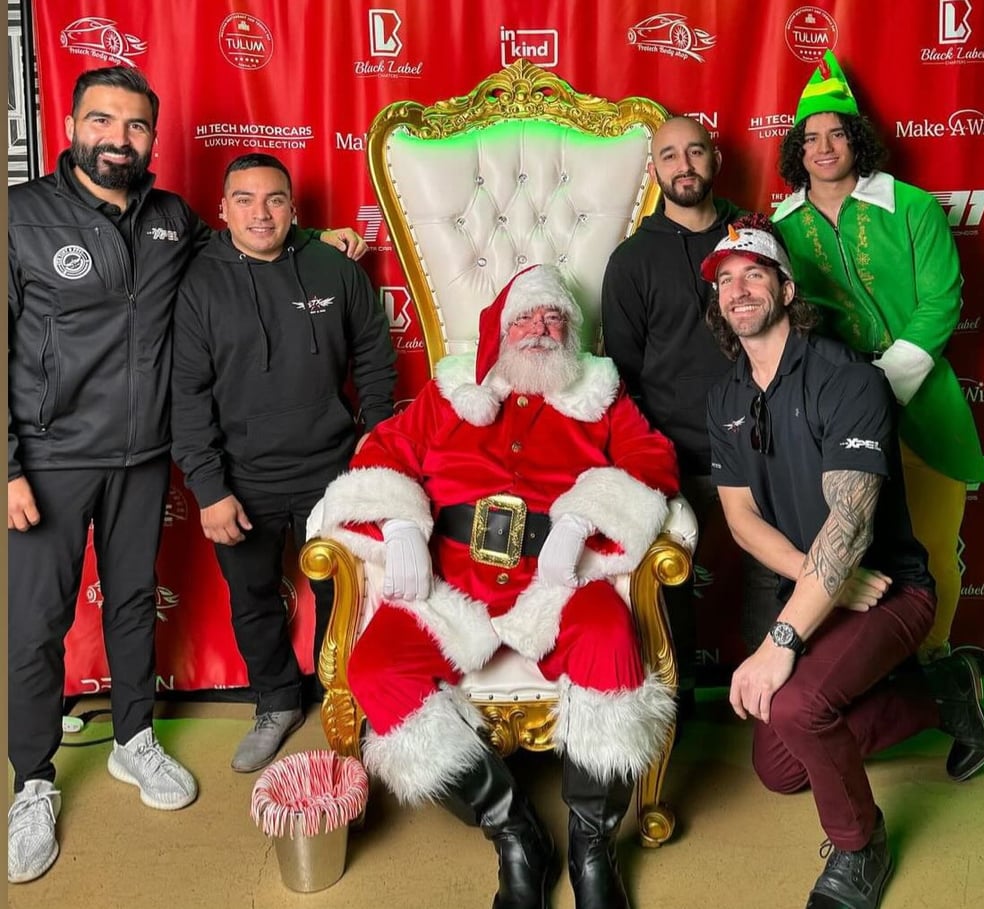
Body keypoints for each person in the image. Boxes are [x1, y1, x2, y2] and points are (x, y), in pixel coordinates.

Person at [6, 65, 363, 884]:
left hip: (141, 455)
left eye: (135, 126)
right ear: (70, 125)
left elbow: (255, 239)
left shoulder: (171, 220)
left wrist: (322, 238)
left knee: (133, 605)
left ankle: (134, 737)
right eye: (102, 121)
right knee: (35, 627)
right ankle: (32, 780)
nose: (118, 139)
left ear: (152, 139)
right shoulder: (21, 216)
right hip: (50, 456)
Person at [309, 264, 687, 909]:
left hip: (558, 581)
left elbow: (652, 459)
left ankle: (592, 845)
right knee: (375, 670)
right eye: (526, 318)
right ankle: (515, 834)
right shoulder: (452, 392)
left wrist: (582, 521)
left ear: (571, 333)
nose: (540, 329)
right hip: (453, 584)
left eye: (554, 318)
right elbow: (383, 452)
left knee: (609, 641)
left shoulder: (600, 394)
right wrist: (399, 524)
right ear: (499, 331)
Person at [701, 215, 984, 909]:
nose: (739, 289)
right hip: (832, 582)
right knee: (779, 767)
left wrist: (781, 639)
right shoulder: (726, 395)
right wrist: (820, 577)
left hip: (892, 590)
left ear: (785, 287)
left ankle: (861, 845)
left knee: (797, 703)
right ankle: (944, 694)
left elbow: (852, 522)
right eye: (726, 280)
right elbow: (741, 519)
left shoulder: (848, 378)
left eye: (755, 273)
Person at [171, 153, 397, 773]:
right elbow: (186, 395)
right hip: (242, 477)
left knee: (343, 594)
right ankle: (274, 702)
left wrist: (375, 439)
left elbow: (374, 356)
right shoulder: (198, 283)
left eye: (274, 199)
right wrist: (209, 488)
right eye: (244, 199)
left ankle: (341, 698)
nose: (261, 213)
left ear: (294, 207)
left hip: (332, 471)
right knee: (253, 598)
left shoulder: (332, 267)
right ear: (222, 210)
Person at [772, 51, 984, 663]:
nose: (824, 148)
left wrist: (883, 383)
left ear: (857, 139)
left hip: (922, 399)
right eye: (810, 138)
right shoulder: (781, 227)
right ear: (796, 150)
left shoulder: (914, 207)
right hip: (830, 409)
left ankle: (937, 670)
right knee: (848, 550)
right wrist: (843, 392)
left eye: (837, 133)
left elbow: (942, 300)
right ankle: (871, 678)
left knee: (936, 544)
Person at [601, 115, 777, 697]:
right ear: (654, 170)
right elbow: (624, 371)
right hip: (674, 452)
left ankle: (769, 697)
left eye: (695, 152)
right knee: (666, 582)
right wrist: (645, 456)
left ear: (714, 160)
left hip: (760, 444)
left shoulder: (754, 239)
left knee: (773, 573)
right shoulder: (631, 260)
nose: (684, 165)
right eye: (670, 155)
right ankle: (677, 703)